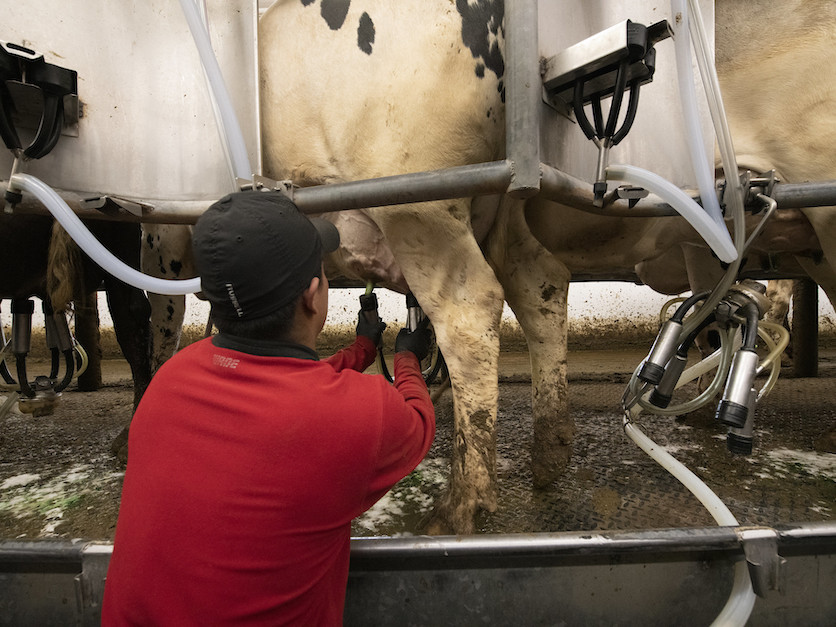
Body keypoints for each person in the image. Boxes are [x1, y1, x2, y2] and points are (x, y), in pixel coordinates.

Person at [102, 190, 436, 625]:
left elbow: (279, 390)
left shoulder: (171, 380)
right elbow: (418, 421)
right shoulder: (362, 414)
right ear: (313, 297)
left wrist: (360, 350)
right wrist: (407, 358)